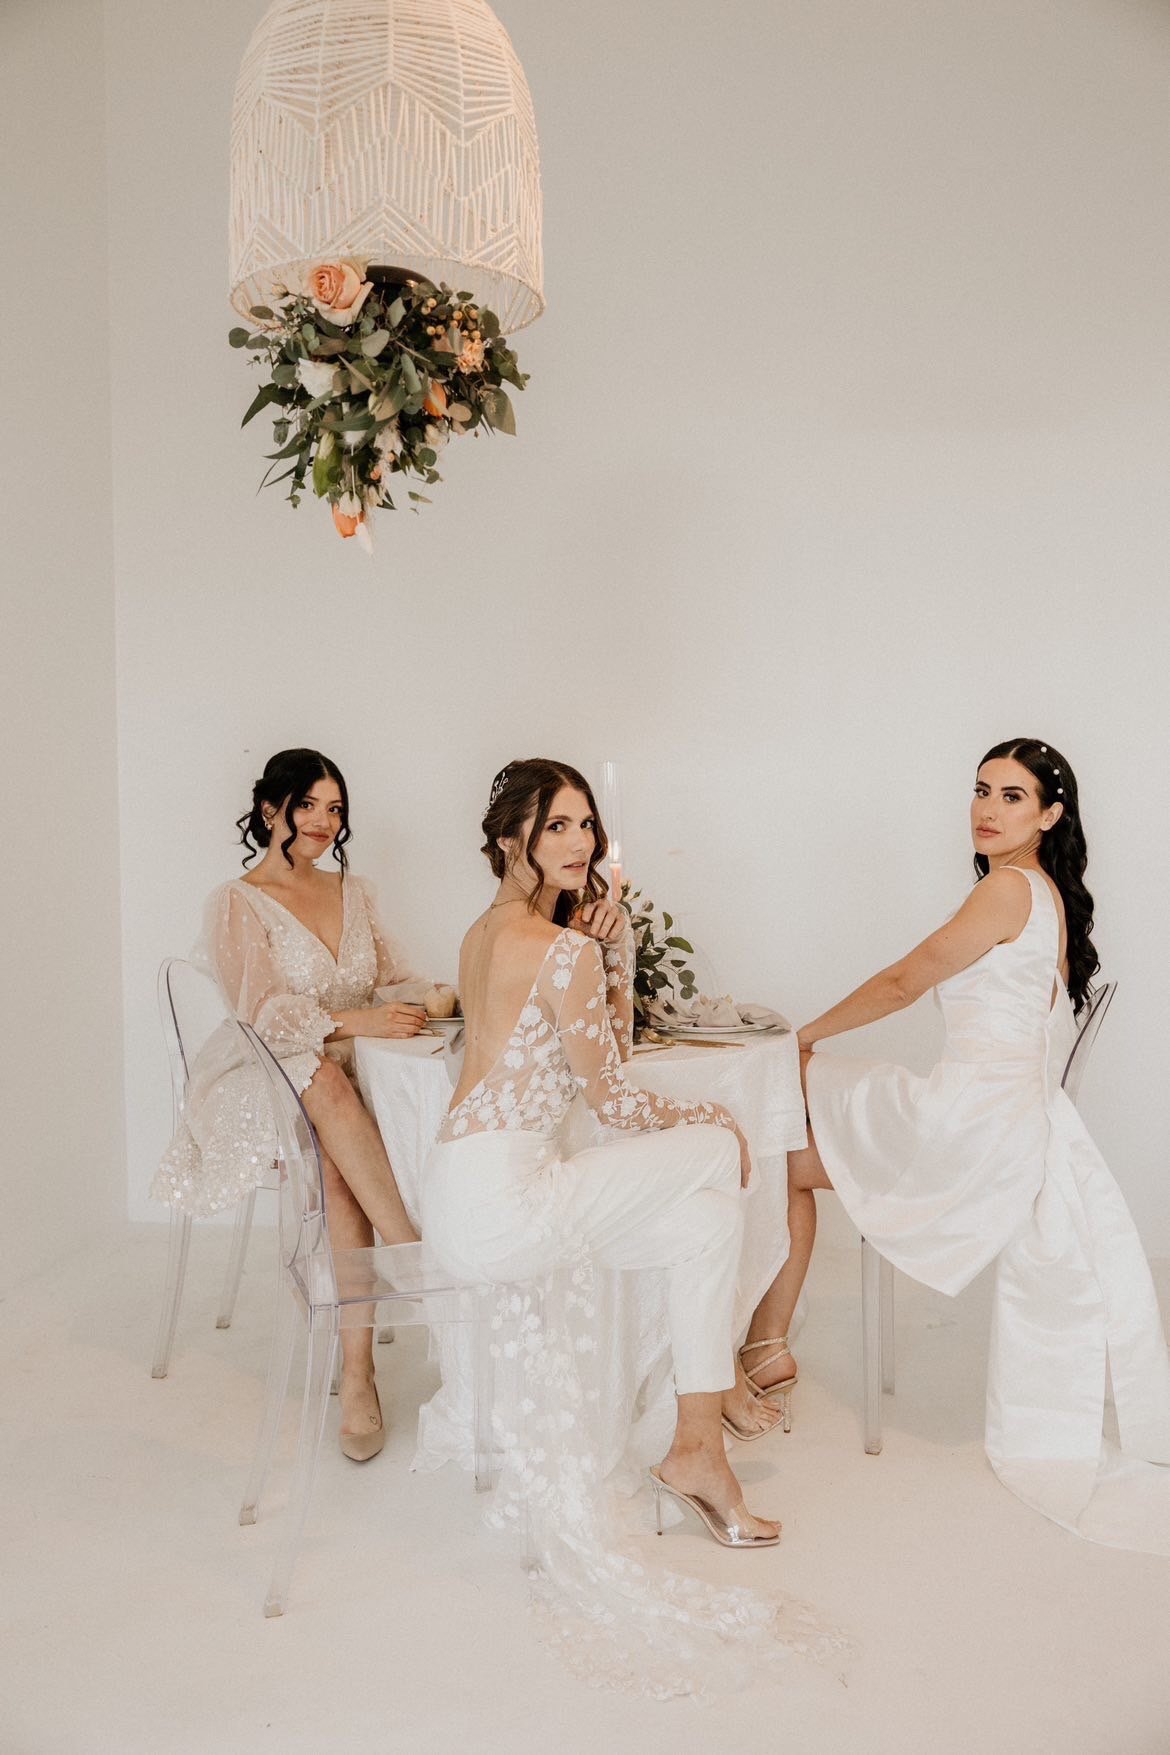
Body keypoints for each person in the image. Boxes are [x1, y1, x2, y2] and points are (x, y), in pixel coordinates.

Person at [743, 738, 1170, 1550]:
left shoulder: (1007, 889)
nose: (986, 809)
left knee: (782, 1144)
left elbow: (906, 980)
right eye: (981, 790)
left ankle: (761, 1348)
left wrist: (802, 1036)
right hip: (992, 1120)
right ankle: (764, 1348)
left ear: (1050, 815)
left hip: (968, 1130)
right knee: (804, 1116)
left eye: (1012, 796)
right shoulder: (1042, 892)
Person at [153, 748, 451, 1461]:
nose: (323, 820)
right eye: (308, 804)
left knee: (338, 1159)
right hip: (263, 1067)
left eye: (335, 808)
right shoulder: (237, 900)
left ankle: (360, 1371)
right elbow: (262, 1012)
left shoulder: (356, 892)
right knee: (322, 1082)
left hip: (344, 1072)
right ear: (270, 810)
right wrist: (358, 1022)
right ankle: (409, 1256)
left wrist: (442, 994)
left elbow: (392, 978)